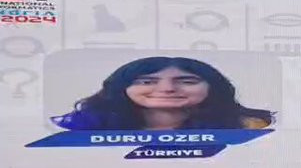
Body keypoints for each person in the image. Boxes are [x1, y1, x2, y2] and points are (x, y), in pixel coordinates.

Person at [53, 56, 273, 130]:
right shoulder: (78, 125)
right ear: (122, 87)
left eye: (187, 81)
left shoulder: (250, 127)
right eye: (147, 81)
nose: (167, 89)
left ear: (213, 87)